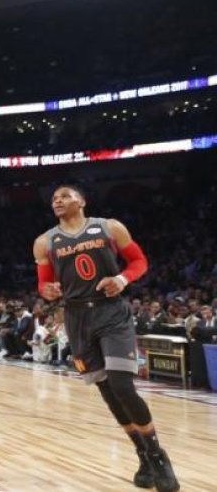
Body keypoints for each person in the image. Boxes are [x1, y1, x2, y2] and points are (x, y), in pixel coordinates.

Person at [34, 184, 178, 491]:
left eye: (65, 196)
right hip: (76, 318)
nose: (58, 201)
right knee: (108, 392)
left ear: (82, 201)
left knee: (122, 384)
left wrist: (122, 278)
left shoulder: (109, 227)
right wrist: (47, 292)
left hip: (111, 311)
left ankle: (157, 455)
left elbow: (139, 262)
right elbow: (45, 285)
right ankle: (141, 455)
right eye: (54, 198)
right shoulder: (44, 242)